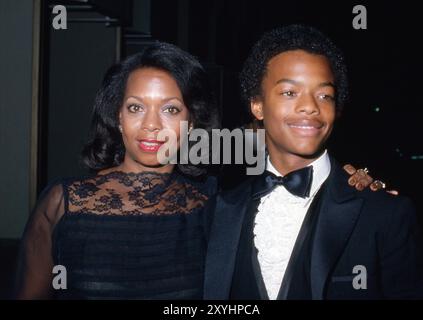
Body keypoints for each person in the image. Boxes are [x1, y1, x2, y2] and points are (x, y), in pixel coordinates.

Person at [15, 41, 380, 300]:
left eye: (171, 109)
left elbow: (286, 139)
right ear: (117, 118)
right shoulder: (62, 204)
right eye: (136, 108)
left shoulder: (214, 205)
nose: (152, 126)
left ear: (192, 121)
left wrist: (345, 179)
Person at [204, 25, 423, 299]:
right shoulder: (219, 209)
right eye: (289, 92)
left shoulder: (385, 213)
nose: (310, 106)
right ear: (257, 106)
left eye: (324, 95)